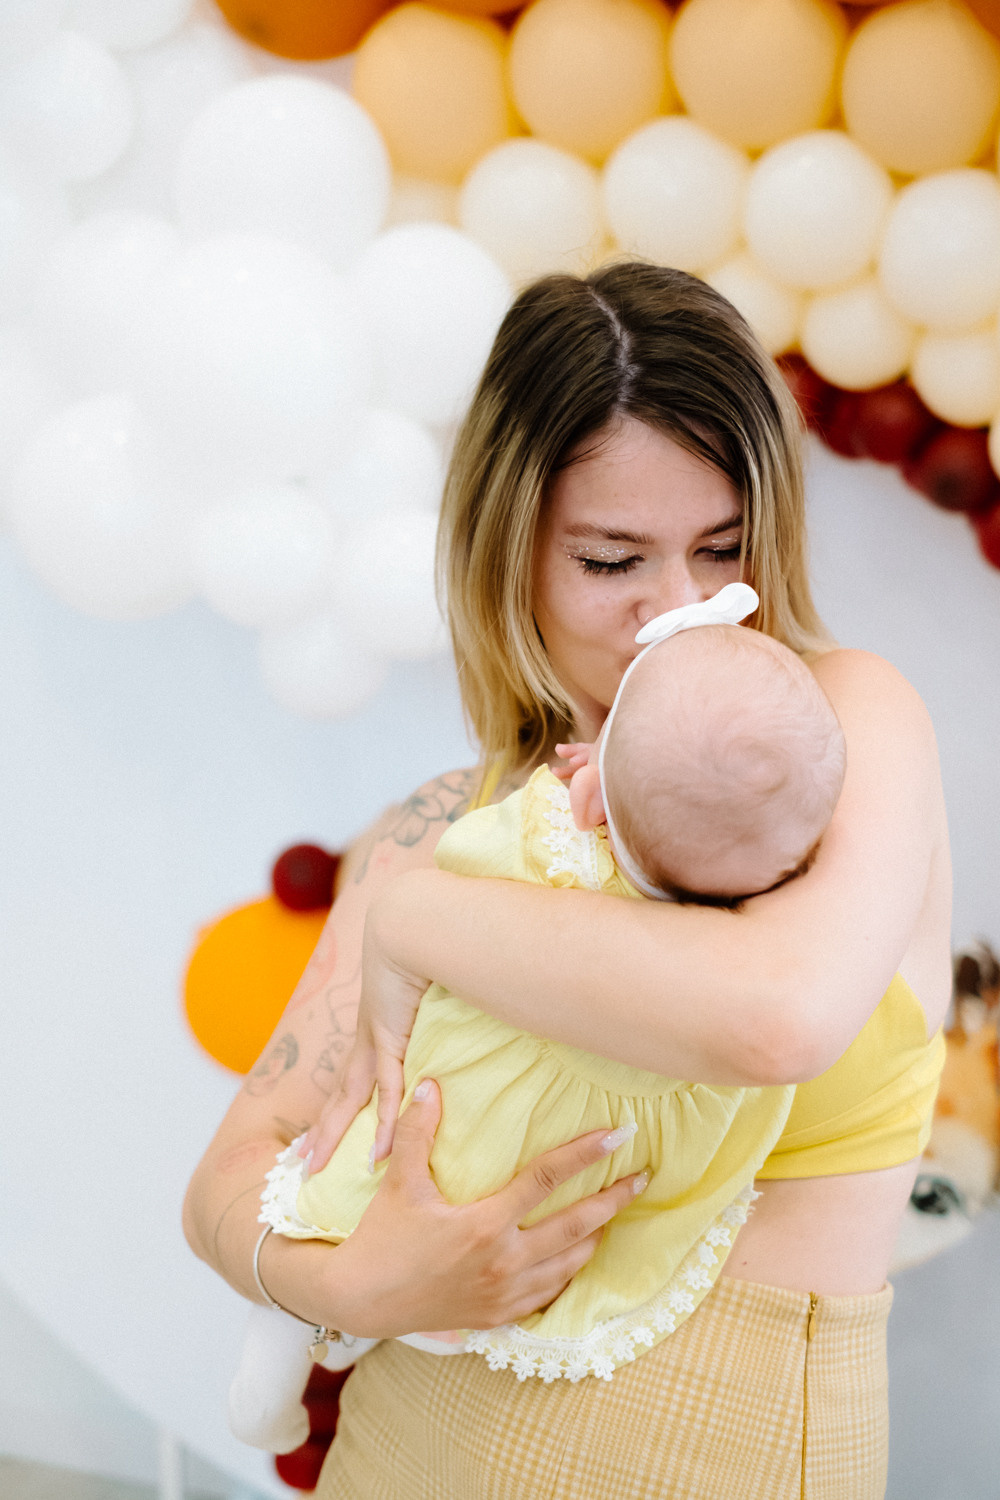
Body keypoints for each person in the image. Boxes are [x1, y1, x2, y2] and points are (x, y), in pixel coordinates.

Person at [184, 263, 951, 1499]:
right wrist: (348, 1284)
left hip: (730, 1450)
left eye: (721, 548)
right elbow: (239, 1166)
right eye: (611, 560)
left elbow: (776, 1016)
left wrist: (421, 919)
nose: (680, 611)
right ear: (514, 555)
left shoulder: (842, 729)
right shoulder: (453, 813)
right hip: (404, 1449)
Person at [228, 590, 847, 1450]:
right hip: (559, 1230)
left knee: (350, 1176)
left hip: (451, 1133)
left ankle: (280, 1358)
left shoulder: (546, 841)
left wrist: (566, 811)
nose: (672, 594)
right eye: (607, 560)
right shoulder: (751, 924)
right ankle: (349, 1316)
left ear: (592, 797)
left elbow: (465, 864)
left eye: (716, 548)